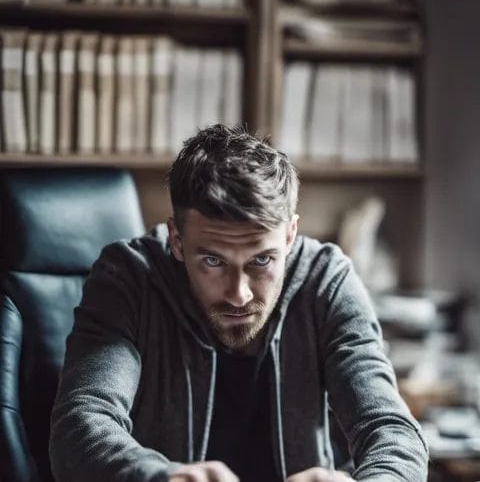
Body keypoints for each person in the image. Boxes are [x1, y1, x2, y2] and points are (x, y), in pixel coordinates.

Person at [50, 124, 428, 482]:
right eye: (212, 261)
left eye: (261, 260)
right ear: (177, 240)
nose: (239, 294)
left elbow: (391, 431)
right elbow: (82, 423)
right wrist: (162, 477)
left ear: (290, 235)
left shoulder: (327, 281)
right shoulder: (129, 278)